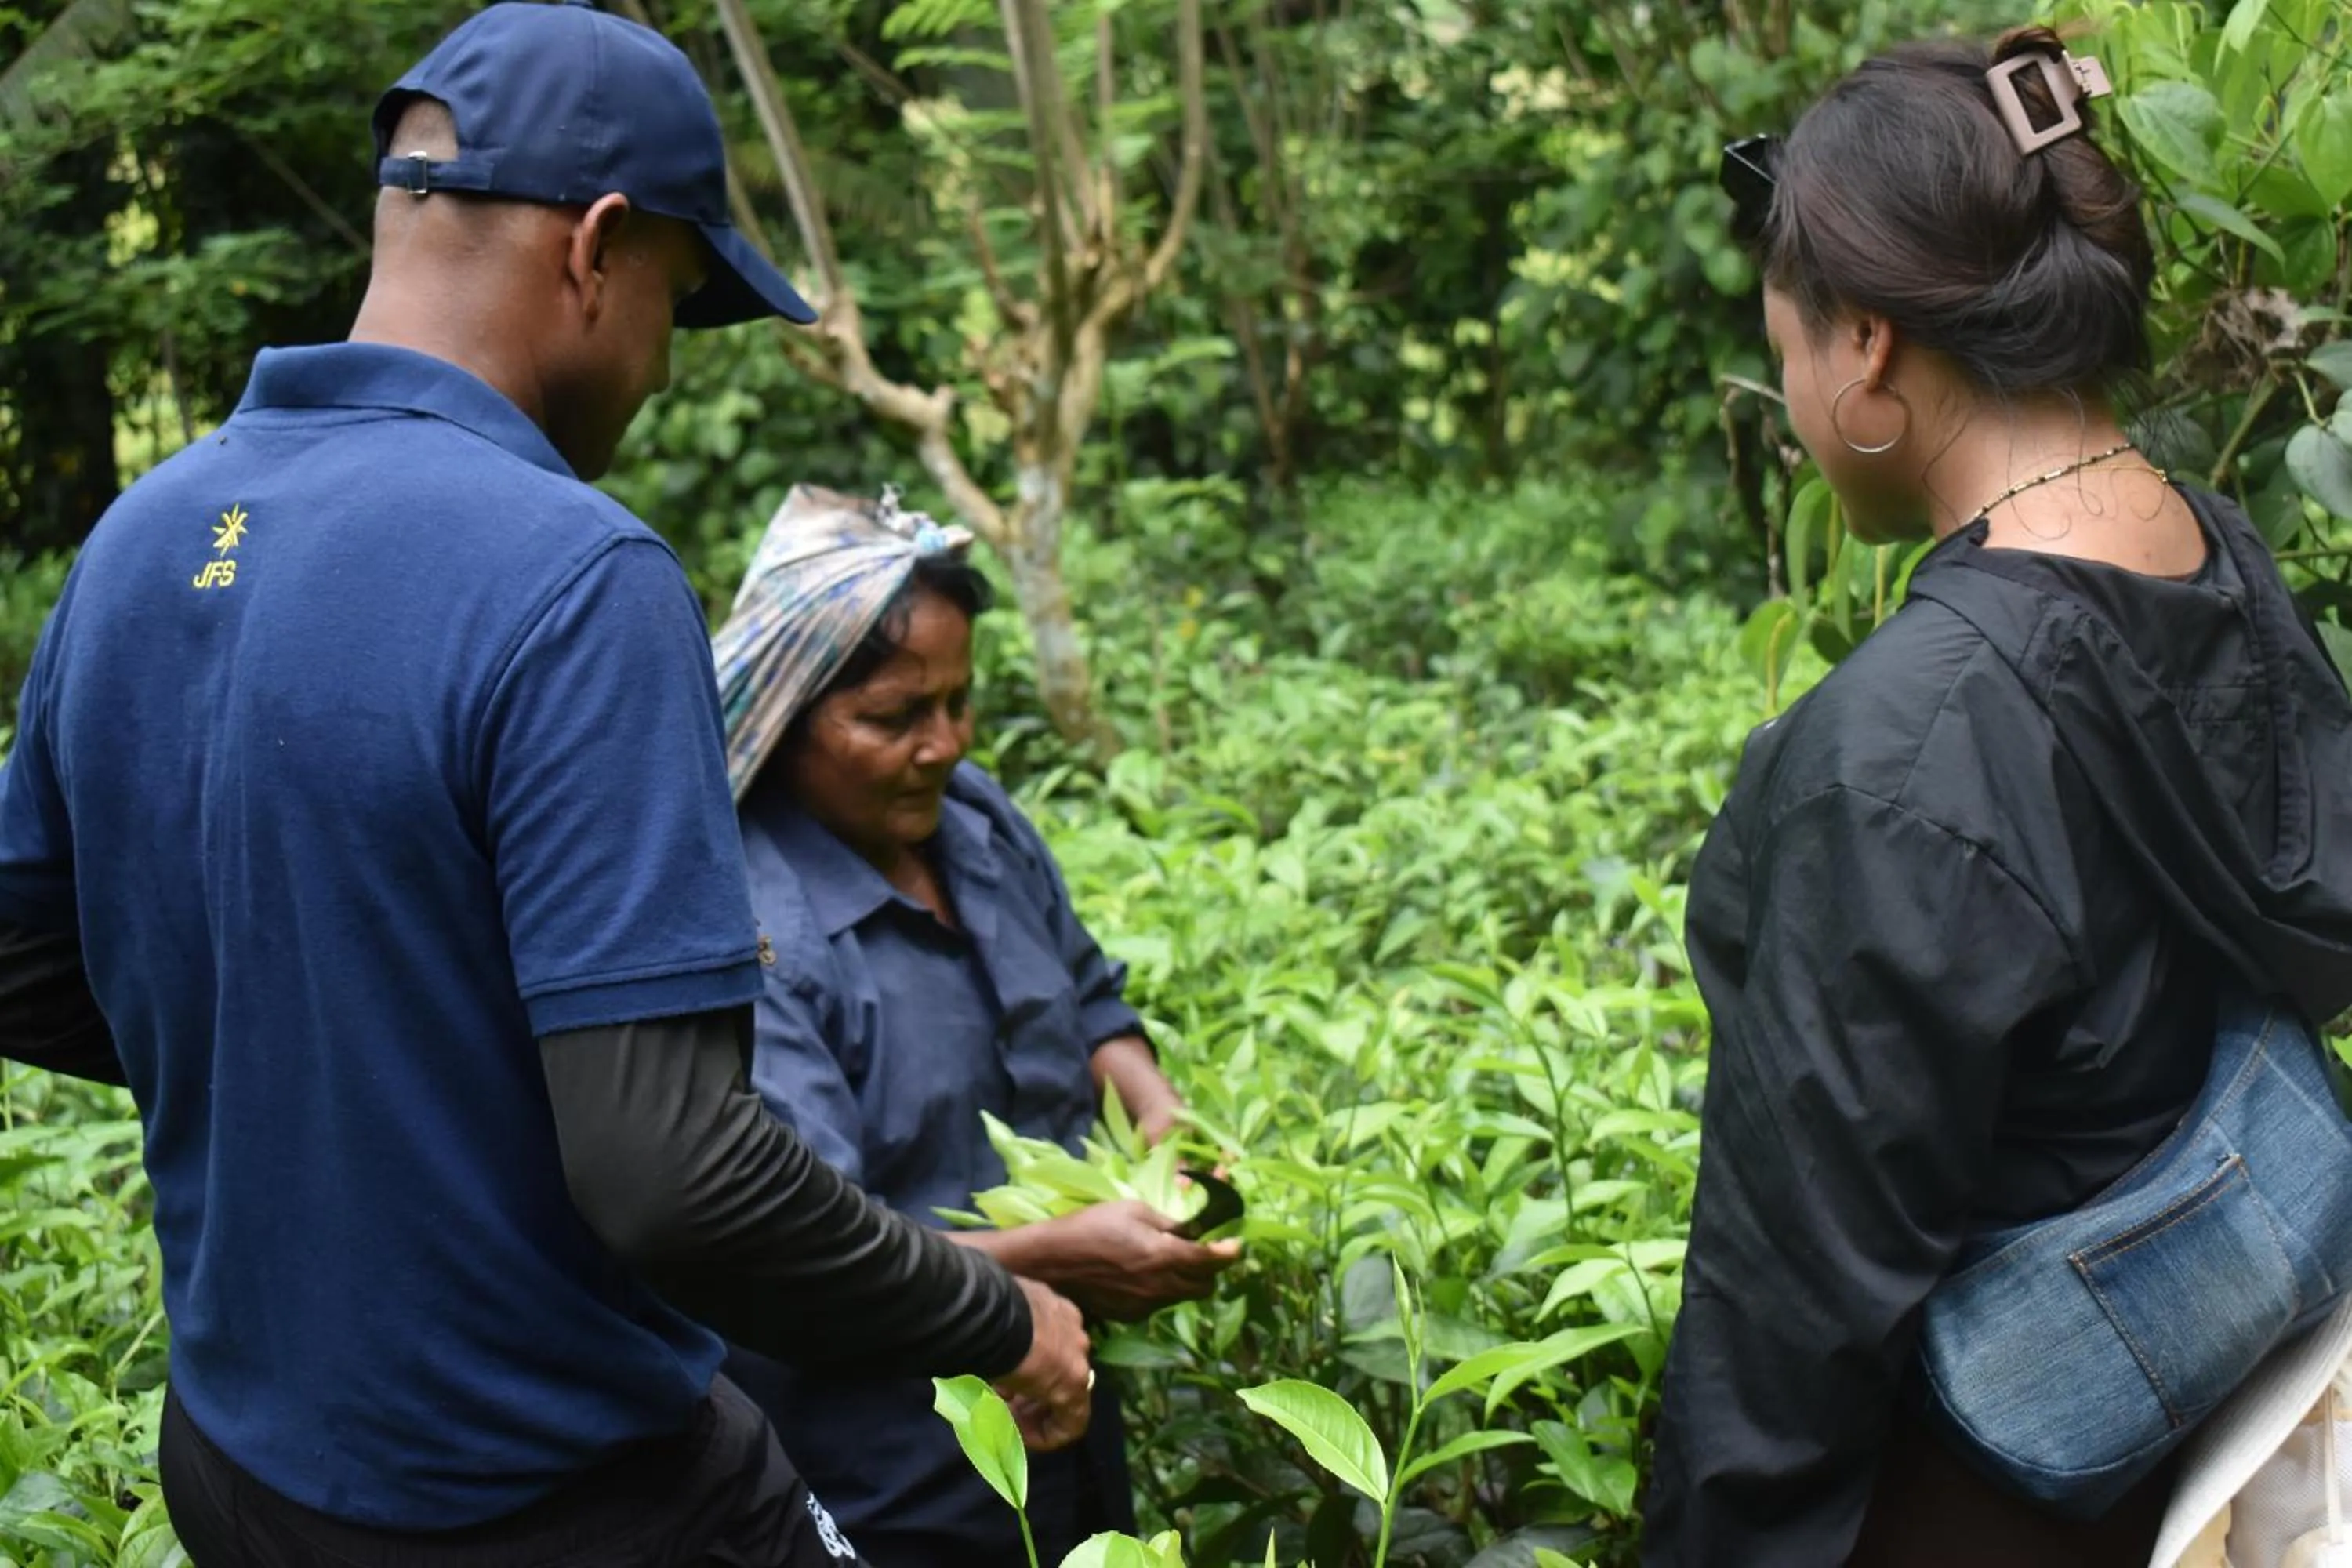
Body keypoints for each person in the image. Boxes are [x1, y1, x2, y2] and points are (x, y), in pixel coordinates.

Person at [0, 6, 1093, 1566]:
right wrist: (999, 1315)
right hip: (554, 1496)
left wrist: (339, 1060)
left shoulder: (143, 536)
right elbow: (675, 1169)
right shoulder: (574, 573)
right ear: (597, 244)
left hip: (237, 1464)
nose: (656, 362)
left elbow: (26, 956)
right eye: (679, 296)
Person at [1646, 24, 2352, 1568]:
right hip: (2202, 1465)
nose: (1793, 383)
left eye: (1790, 343)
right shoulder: (2218, 554)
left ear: (1872, 346)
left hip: (1973, 1512)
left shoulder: (1902, 747)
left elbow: (1789, 1331)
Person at [706, 484, 1244, 1566]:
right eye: (894, 718)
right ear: (786, 714)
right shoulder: (751, 929)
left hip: (1069, 1419)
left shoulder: (977, 820)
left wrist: (1160, 1119)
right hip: (886, 1467)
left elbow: (1092, 999)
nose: (942, 744)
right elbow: (801, 1249)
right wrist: (1063, 1256)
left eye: (958, 703)